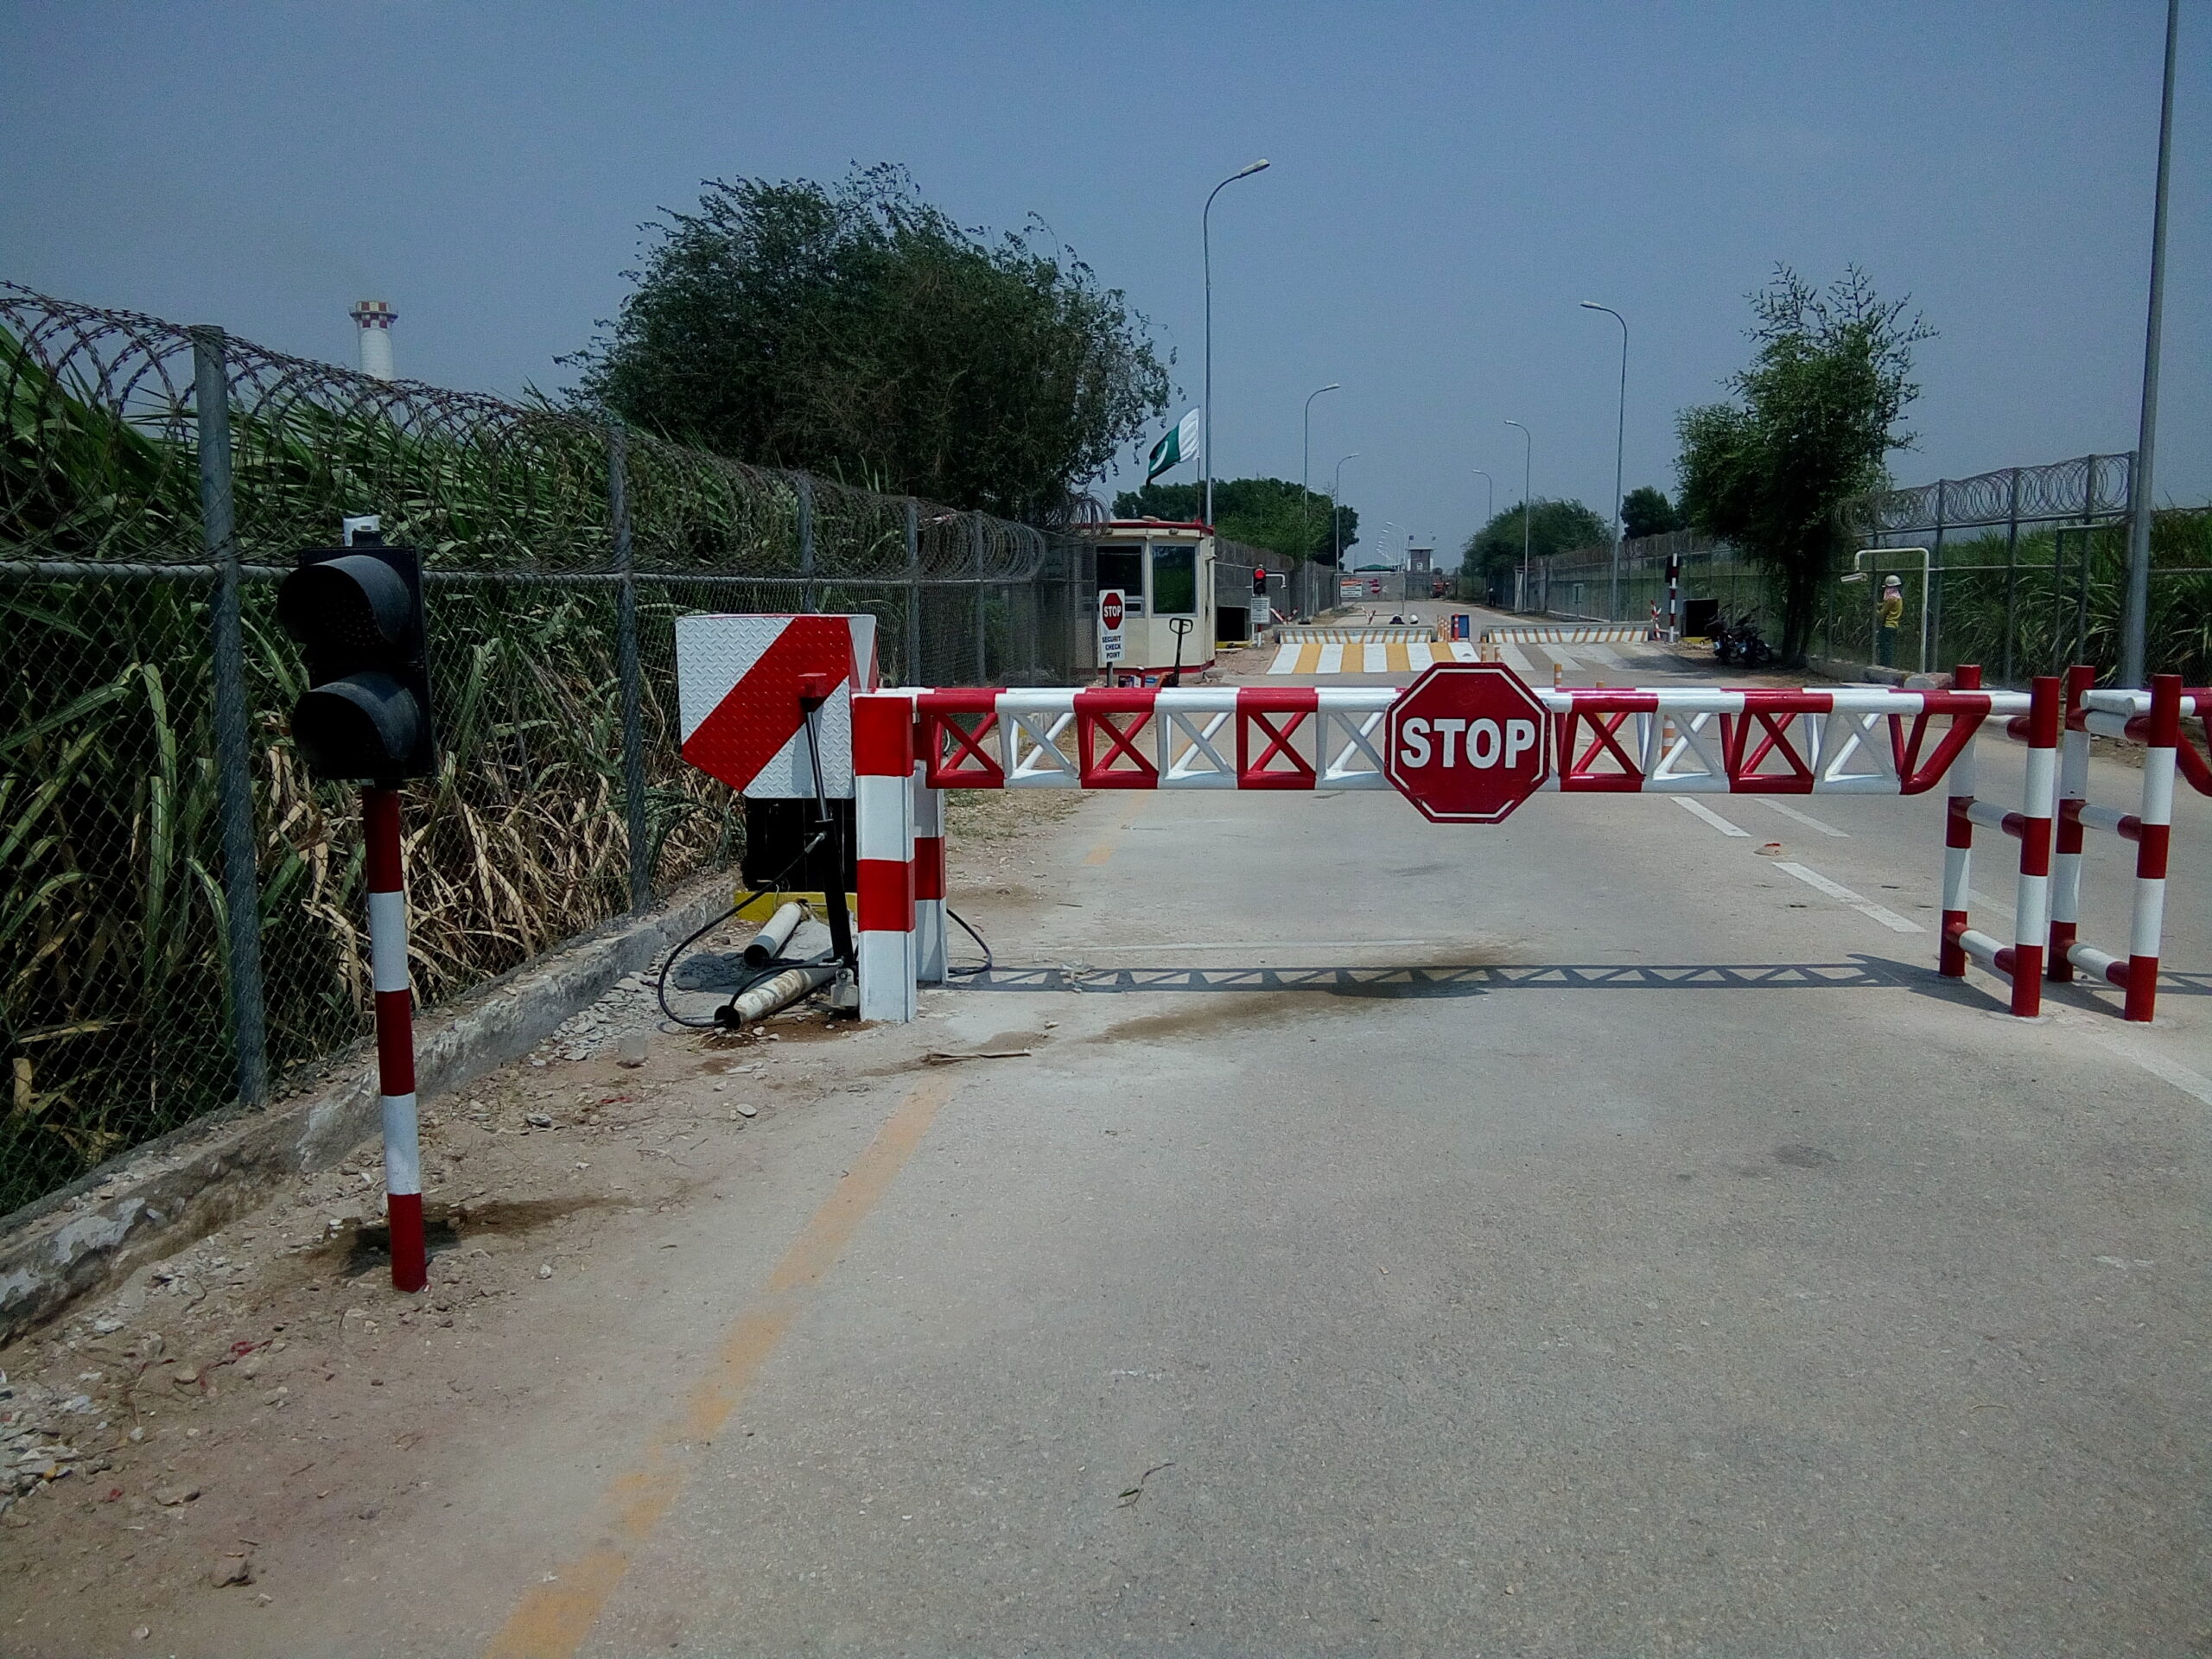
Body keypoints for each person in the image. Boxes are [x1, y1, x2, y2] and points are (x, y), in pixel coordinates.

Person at [1877, 575, 1904, 667]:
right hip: (1893, 625)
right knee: (1888, 646)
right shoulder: (1897, 597)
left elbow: (1882, 612)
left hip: (1888, 625)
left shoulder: (1892, 599)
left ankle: (1886, 665)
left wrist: (1875, 610)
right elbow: (1884, 604)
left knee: (1885, 647)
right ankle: (1886, 664)